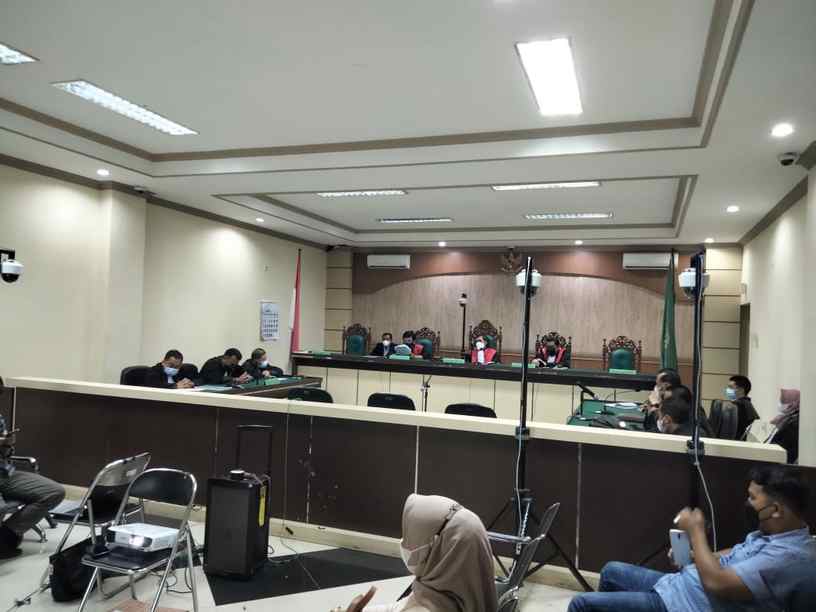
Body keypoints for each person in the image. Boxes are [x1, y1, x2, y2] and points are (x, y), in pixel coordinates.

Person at [567, 464, 816, 612]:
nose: (747, 503)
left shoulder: (787, 558)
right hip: (681, 587)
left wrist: (696, 532)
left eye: (752, 497)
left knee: (582, 605)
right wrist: (695, 556)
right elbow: (727, 557)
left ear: (776, 510)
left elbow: (718, 582)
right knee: (611, 571)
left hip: (686, 605)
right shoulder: (770, 534)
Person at [338, 494, 498, 612]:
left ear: (438, 548)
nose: (404, 543)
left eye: (412, 538)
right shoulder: (453, 591)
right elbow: (399, 607)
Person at [0, 413, 65, 559]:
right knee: (1, 507)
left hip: (4, 473)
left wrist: (7, 444)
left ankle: (6, 535)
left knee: (54, 492)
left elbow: (5, 455)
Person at [727, 376, 759, 440]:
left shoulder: (738, 406)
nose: (728, 390)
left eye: (731, 387)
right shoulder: (746, 404)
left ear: (741, 390)